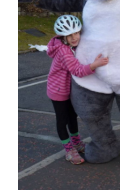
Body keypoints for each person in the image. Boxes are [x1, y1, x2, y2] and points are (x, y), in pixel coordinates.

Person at [47, 15, 109, 165]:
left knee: (72, 117)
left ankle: (77, 143)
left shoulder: (72, 46)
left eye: (76, 33)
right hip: (58, 90)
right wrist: (95, 64)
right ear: (63, 37)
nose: (74, 37)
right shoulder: (64, 51)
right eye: (70, 35)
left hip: (69, 89)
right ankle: (69, 150)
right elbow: (77, 70)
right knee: (62, 120)